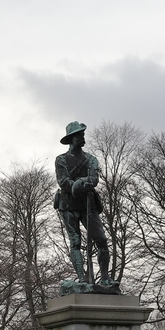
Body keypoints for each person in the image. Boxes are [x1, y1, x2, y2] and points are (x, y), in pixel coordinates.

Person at [54, 121, 113, 288]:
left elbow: (93, 179)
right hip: (68, 205)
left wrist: (79, 182)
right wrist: (78, 184)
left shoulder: (91, 160)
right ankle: (82, 279)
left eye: (83, 134)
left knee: (101, 240)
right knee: (75, 243)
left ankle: (105, 278)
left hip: (88, 204)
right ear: (72, 138)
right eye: (80, 135)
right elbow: (63, 181)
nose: (83, 137)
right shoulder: (61, 160)